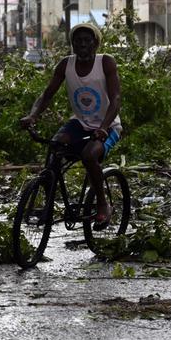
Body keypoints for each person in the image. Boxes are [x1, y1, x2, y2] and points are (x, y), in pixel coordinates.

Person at [19, 22, 122, 229]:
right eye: (78, 41)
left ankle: (103, 206)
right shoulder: (66, 65)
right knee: (55, 147)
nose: (82, 44)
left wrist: (103, 127)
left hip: (108, 126)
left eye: (87, 41)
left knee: (89, 155)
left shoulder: (106, 63)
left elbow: (116, 99)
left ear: (95, 43)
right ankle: (48, 205)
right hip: (80, 123)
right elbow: (46, 95)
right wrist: (32, 116)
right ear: (72, 44)